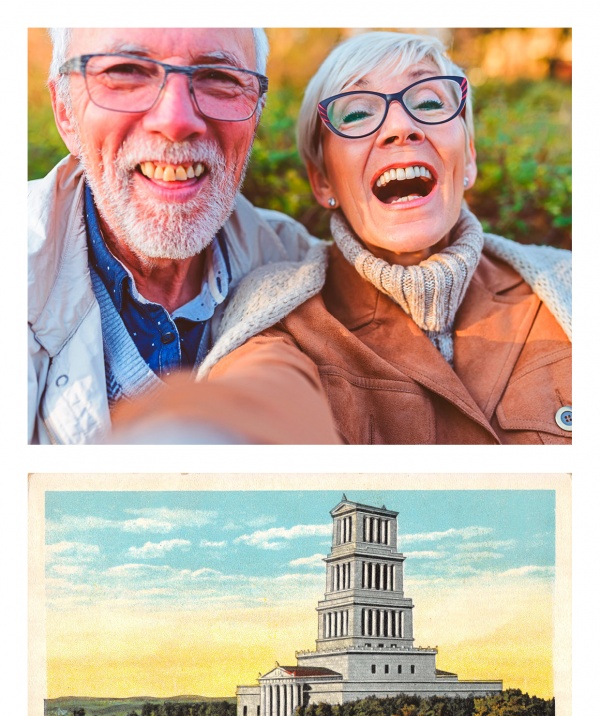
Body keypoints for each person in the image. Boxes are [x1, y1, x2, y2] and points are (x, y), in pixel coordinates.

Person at [187, 30, 571, 445]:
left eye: (428, 103)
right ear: (322, 181)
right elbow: (255, 404)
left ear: (470, 158)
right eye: (356, 114)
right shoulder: (279, 319)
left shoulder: (569, 286)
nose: (402, 128)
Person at [28, 27, 339, 444]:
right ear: (65, 111)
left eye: (219, 78)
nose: (175, 121)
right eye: (126, 72)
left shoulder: (299, 266)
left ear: (256, 113)